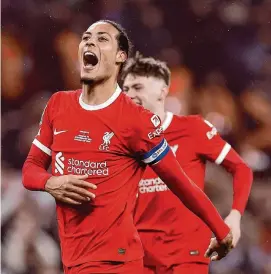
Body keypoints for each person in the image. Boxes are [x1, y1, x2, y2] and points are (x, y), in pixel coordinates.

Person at [22, 20, 233, 274]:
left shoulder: (136, 120)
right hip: (73, 261)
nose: (90, 41)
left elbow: (182, 183)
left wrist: (222, 232)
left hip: (118, 263)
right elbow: (30, 169)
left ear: (121, 56)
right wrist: (50, 183)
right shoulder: (58, 105)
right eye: (86, 37)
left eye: (102, 39)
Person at [121, 53, 253, 274]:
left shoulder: (192, 129)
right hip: (140, 258)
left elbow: (241, 168)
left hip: (186, 257)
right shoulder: (121, 141)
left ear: (162, 91)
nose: (130, 95)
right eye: (125, 90)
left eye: (137, 87)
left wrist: (235, 215)